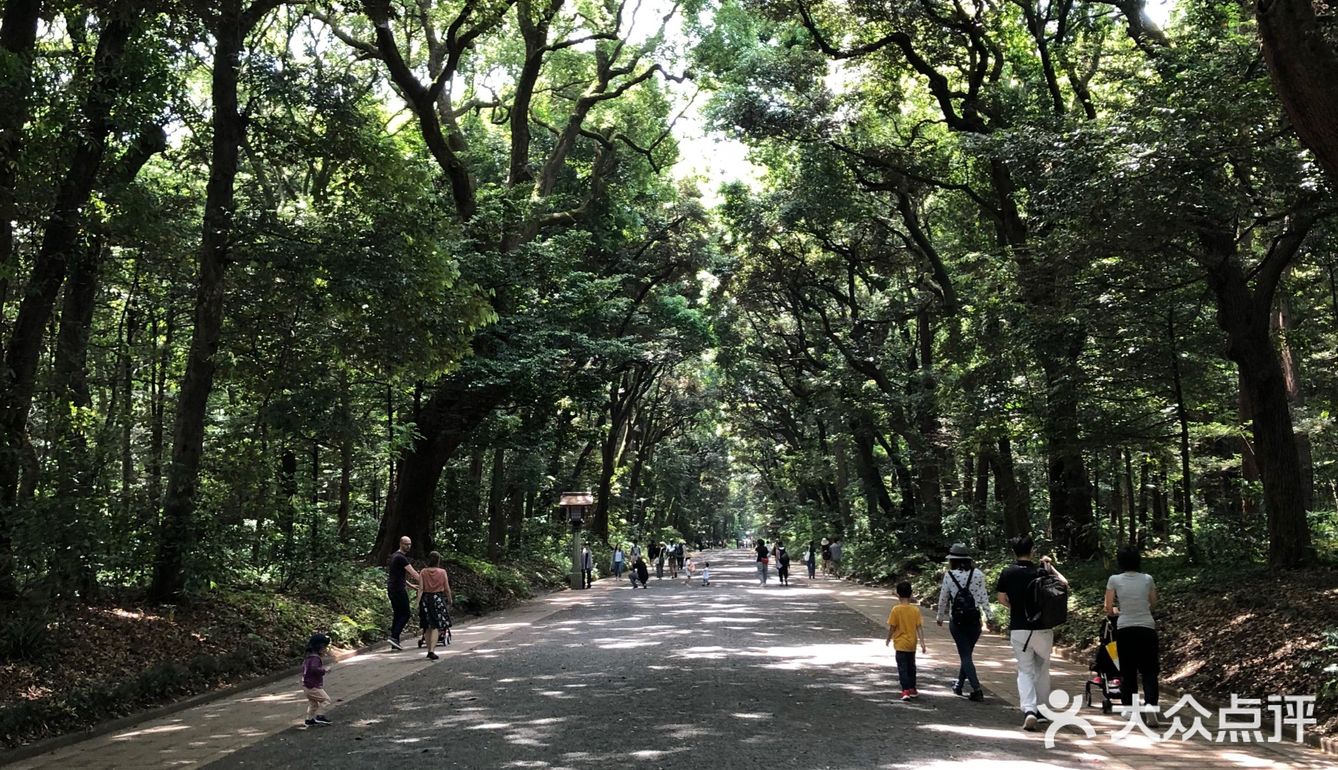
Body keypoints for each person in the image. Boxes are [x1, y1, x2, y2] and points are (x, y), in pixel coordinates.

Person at [996, 535, 1070, 732]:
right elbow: (1064, 584)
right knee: (1042, 669)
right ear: (1032, 550)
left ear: (1014, 551)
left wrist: (1015, 607)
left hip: (1019, 628)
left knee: (1025, 669)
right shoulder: (1040, 571)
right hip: (1043, 628)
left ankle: (1029, 709)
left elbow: (1001, 598)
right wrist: (1049, 566)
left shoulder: (1007, 572)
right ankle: (1042, 711)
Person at [1104, 544, 1160, 725]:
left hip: (1125, 628)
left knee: (1128, 670)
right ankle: (1151, 705)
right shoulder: (1147, 579)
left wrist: (1117, 611)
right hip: (1147, 628)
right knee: (1149, 670)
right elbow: (1153, 604)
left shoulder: (1114, 580)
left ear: (1120, 561)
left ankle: (1129, 708)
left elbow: (1108, 608)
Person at [935, 543, 995, 702]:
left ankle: (977, 689)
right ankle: (959, 685)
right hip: (975, 621)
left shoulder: (949, 576)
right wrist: (990, 617)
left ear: (953, 560)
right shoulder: (978, 574)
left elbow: (943, 598)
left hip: (958, 621)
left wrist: (940, 617)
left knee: (965, 655)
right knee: (966, 654)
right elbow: (983, 598)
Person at [885, 581, 927, 701]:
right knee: (911, 667)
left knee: (902, 667)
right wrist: (923, 643)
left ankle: (905, 690)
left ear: (898, 594)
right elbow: (919, 627)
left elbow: (892, 627)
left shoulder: (896, 610)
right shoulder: (915, 610)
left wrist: (888, 639)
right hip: (912, 644)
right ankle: (913, 688)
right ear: (911, 594)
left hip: (900, 644)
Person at [416, 551, 453, 660]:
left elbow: (421, 588)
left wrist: (417, 601)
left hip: (426, 599)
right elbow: (446, 588)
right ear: (438, 560)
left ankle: (428, 650)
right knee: (436, 626)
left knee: (426, 626)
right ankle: (432, 650)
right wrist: (450, 599)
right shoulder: (442, 572)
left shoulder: (423, 572)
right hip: (437, 599)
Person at [386, 536, 420, 650]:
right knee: (405, 613)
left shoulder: (394, 556)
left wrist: (411, 586)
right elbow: (414, 573)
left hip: (392, 588)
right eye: (406, 544)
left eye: (410, 544)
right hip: (397, 589)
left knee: (398, 614)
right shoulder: (400, 557)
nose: (408, 546)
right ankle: (394, 637)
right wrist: (427, 583)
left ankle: (394, 642)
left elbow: (398, 575)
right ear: (400, 543)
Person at [301, 633, 333, 726]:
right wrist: (324, 670)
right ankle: (320, 716)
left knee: (313, 704)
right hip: (312, 686)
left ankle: (309, 720)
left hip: (306, 686)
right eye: (325, 648)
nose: (325, 650)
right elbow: (314, 669)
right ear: (320, 647)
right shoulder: (315, 658)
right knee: (326, 700)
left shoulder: (308, 657)